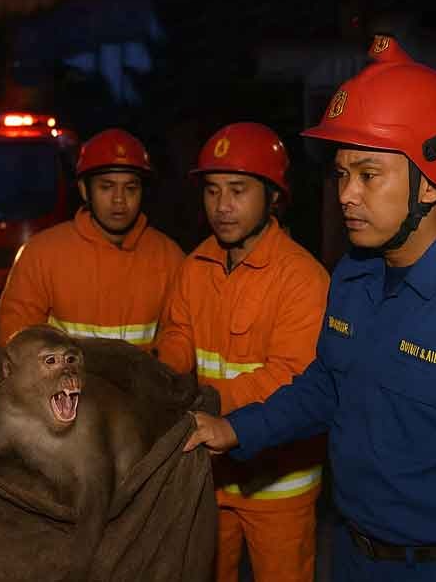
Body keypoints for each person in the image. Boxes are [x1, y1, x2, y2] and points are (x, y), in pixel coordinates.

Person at [183, 36, 436, 581]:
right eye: (342, 173)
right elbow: (329, 385)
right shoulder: (354, 274)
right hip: (350, 557)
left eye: (369, 175)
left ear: (430, 182)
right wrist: (235, 430)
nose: (347, 193)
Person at [155, 122, 330, 582]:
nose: (222, 206)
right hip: (210, 478)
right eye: (212, 191)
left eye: (238, 190)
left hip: (278, 486)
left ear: (273, 196)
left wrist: (201, 405)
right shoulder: (195, 267)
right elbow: (177, 340)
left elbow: (292, 378)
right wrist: (156, 380)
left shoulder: (302, 278)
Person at [0, 128, 184, 348]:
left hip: (142, 384)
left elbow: (178, 336)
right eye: (106, 187)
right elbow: (16, 339)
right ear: (85, 190)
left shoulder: (169, 258)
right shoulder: (40, 254)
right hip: (62, 382)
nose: (119, 200)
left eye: (130, 188)